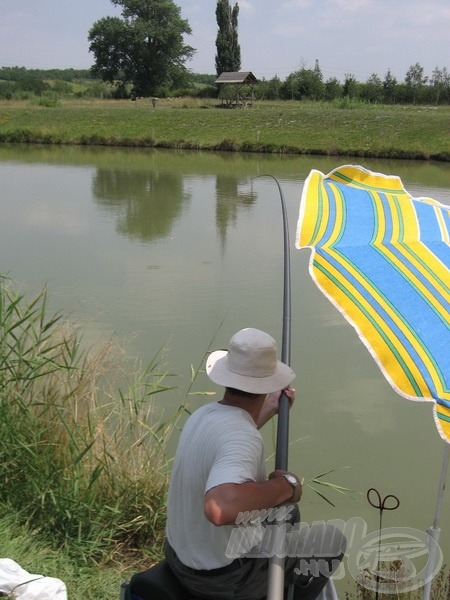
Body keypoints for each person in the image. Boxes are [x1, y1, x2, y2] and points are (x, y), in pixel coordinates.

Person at [165, 328, 345, 600]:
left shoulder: (204, 415)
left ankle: (276, 581)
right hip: (224, 579)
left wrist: (271, 408)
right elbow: (219, 508)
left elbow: (230, 443)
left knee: (290, 517)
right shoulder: (242, 435)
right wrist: (286, 486)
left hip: (181, 557)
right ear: (270, 382)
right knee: (331, 541)